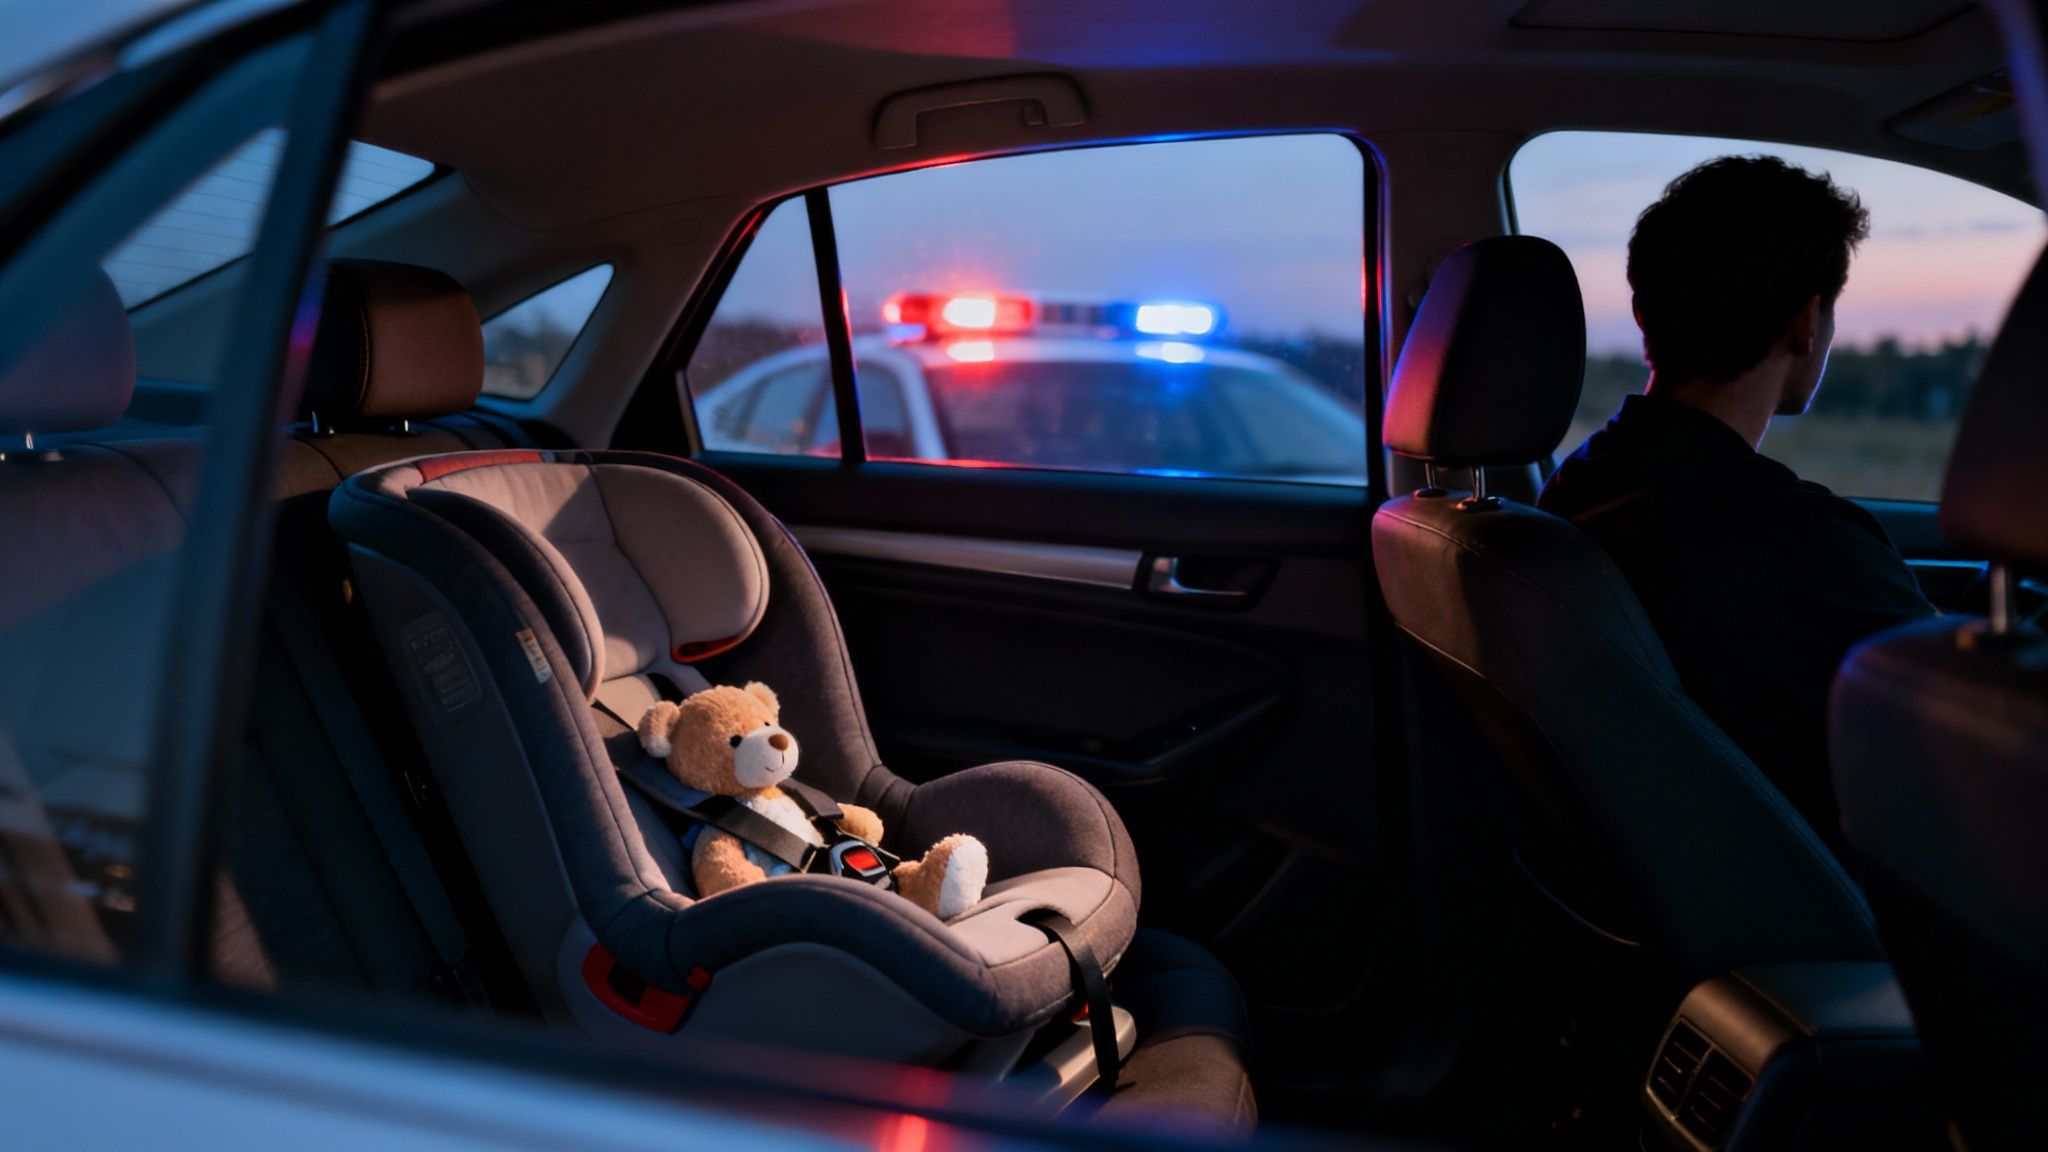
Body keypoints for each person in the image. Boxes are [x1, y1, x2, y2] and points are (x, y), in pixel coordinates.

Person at [1538, 156, 1935, 846]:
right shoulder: (1802, 540)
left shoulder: (1580, 481)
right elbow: (1957, 725)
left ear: (1642, 313)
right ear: (1807, 322)